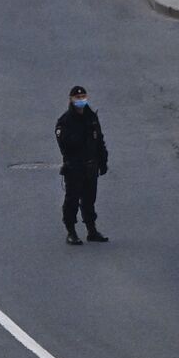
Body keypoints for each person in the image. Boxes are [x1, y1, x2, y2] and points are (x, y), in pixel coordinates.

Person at [55, 84, 109, 245]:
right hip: (74, 168)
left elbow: (99, 140)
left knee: (89, 199)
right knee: (72, 199)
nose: (81, 100)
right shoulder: (65, 122)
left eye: (83, 97)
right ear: (71, 99)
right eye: (77, 98)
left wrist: (103, 160)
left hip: (91, 167)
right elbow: (65, 145)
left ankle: (91, 230)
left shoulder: (91, 117)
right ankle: (71, 231)